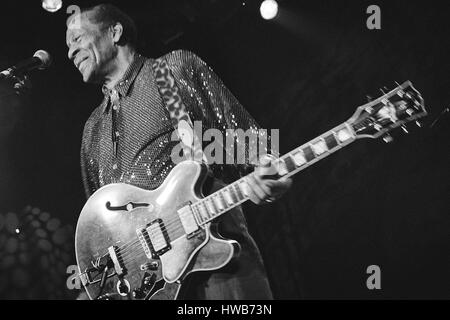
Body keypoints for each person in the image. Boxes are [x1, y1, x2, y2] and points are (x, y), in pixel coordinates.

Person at [66, 4, 292, 300]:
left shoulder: (172, 70)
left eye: (78, 39)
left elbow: (248, 143)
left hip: (217, 265)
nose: (70, 52)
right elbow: (99, 224)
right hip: (150, 289)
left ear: (114, 32)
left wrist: (268, 171)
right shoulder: (92, 130)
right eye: (69, 45)